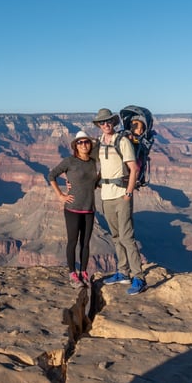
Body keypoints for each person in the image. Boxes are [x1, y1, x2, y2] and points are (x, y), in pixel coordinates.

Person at [92, 108, 147, 295]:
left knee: (126, 237)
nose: (106, 124)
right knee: (115, 237)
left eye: (108, 121)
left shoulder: (122, 141)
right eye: (102, 122)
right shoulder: (99, 142)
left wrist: (129, 193)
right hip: (106, 196)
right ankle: (123, 272)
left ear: (113, 122)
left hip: (122, 195)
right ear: (99, 125)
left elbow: (133, 169)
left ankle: (139, 277)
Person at [48, 131, 97, 287]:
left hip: (89, 208)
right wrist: (61, 195)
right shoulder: (70, 161)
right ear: (75, 145)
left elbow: (95, 182)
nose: (84, 145)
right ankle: (72, 273)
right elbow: (52, 175)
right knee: (73, 241)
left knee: (86, 243)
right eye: (80, 142)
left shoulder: (93, 162)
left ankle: (83, 272)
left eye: (86, 142)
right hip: (73, 209)